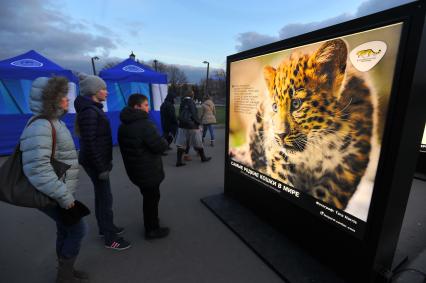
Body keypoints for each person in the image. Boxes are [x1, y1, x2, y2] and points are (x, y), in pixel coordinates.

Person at [20, 77, 88, 282]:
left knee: (65, 229)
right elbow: (38, 169)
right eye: (62, 96)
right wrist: (64, 196)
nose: (68, 99)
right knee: (78, 229)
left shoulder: (51, 121)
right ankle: (65, 275)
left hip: (58, 189)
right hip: (54, 191)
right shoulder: (41, 126)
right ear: (51, 99)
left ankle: (65, 269)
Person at [74, 75, 131, 251]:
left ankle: (105, 228)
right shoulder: (90, 111)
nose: (107, 91)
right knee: (105, 199)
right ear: (93, 91)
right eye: (103, 88)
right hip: (95, 163)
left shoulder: (92, 108)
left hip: (97, 161)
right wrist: (101, 167)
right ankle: (110, 238)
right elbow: (90, 143)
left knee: (102, 197)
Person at [118, 94, 170, 239]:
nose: (148, 108)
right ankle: (152, 229)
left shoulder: (123, 125)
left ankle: (152, 223)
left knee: (148, 197)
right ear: (137, 107)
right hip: (148, 171)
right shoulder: (144, 125)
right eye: (146, 105)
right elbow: (159, 146)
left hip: (136, 170)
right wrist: (166, 141)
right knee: (151, 199)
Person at [175, 87, 211, 167]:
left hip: (182, 125)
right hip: (192, 126)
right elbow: (194, 115)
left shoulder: (182, 102)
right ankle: (203, 158)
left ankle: (178, 161)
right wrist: (198, 124)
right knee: (198, 142)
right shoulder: (191, 102)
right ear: (192, 95)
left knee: (181, 144)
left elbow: (181, 114)